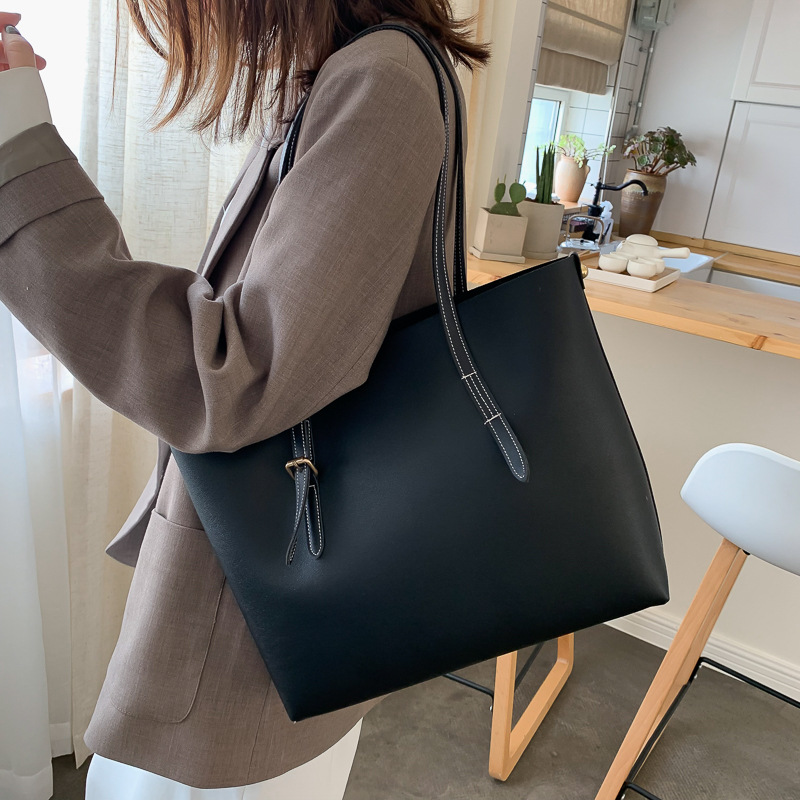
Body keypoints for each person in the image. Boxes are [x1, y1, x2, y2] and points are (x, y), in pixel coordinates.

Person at [0, 2, 489, 796]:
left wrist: (16, 154)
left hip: (251, 649)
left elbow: (232, 377)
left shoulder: (381, 82)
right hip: (265, 595)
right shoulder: (355, 74)